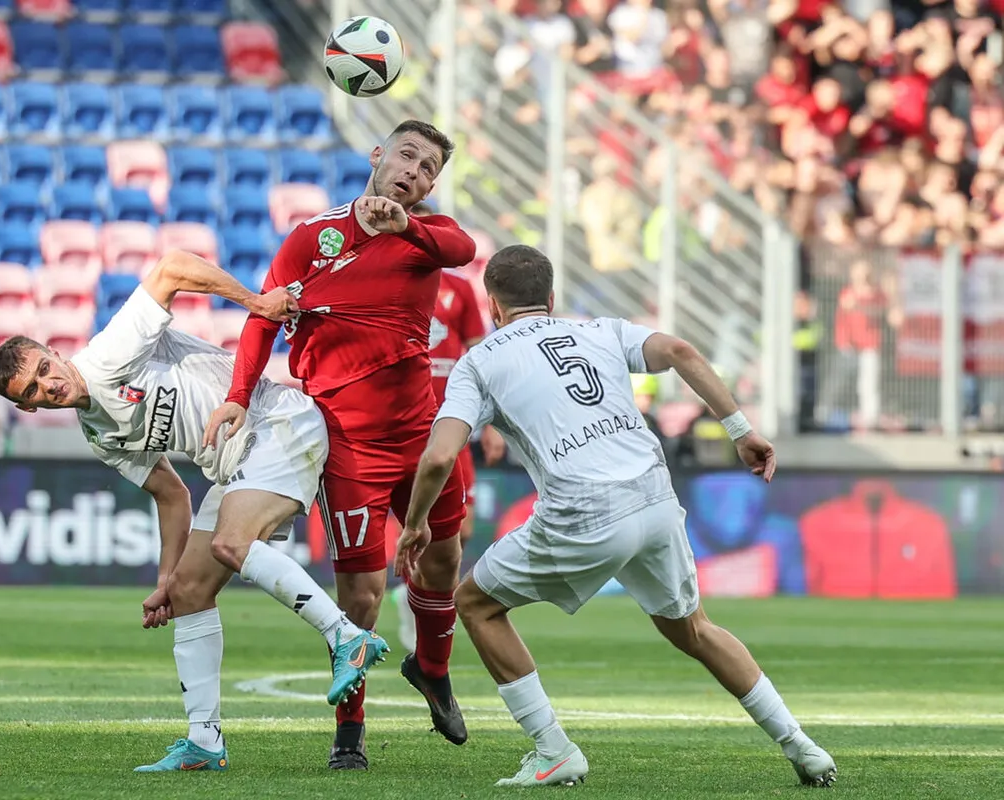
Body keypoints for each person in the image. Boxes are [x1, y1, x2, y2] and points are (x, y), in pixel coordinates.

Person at [396, 245, 837, 788]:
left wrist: (415, 524)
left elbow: (440, 456)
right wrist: (742, 431)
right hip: (654, 499)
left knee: (475, 602)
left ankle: (553, 749)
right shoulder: (598, 330)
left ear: (491, 305)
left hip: (583, 511)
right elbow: (678, 349)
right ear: (551, 298)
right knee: (695, 629)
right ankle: (803, 746)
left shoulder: (480, 361)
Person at [0, 250, 388, 772]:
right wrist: (164, 580)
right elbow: (171, 494)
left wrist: (255, 303)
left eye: (44, 368)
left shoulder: (109, 355)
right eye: (34, 390)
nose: (49, 384)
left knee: (231, 544)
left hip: (277, 423)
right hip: (236, 461)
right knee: (190, 591)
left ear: (54, 352)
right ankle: (204, 741)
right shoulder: (99, 434)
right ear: (28, 408)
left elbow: (173, 266)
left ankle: (346, 637)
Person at [206, 120, 477, 770]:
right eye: (406, 155)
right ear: (377, 155)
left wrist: (402, 224)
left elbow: (462, 247)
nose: (414, 171)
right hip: (349, 446)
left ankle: (431, 670)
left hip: (420, 437)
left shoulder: (425, 238)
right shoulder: (310, 238)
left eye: (428, 168)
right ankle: (349, 731)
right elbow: (263, 317)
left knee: (443, 563)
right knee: (360, 596)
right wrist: (239, 394)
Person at [393, 199, 507, 654]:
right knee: (420, 528)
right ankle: (416, 602)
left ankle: (413, 597)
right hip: (402, 423)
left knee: (457, 533)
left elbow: (482, 353)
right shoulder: (393, 283)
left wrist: (494, 422)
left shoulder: (459, 289)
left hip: (452, 424)